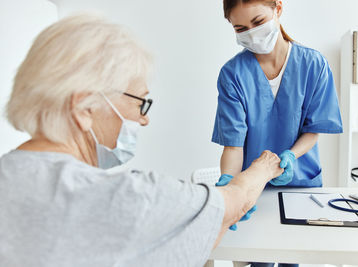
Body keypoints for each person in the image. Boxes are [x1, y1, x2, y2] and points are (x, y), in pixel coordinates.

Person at [0, 14, 283, 267]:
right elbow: (235, 203)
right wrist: (266, 165)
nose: (144, 119)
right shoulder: (132, 199)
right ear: (84, 108)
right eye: (140, 102)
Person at [212, 0, 343, 266]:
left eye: (258, 22)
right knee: (258, 259)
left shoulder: (313, 64)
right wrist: (230, 184)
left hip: (301, 186)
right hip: (254, 188)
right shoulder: (232, 74)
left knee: (290, 257)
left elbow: (313, 130)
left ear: (278, 9)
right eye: (240, 28)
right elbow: (234, 145)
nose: (251, 33)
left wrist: (291, 157)